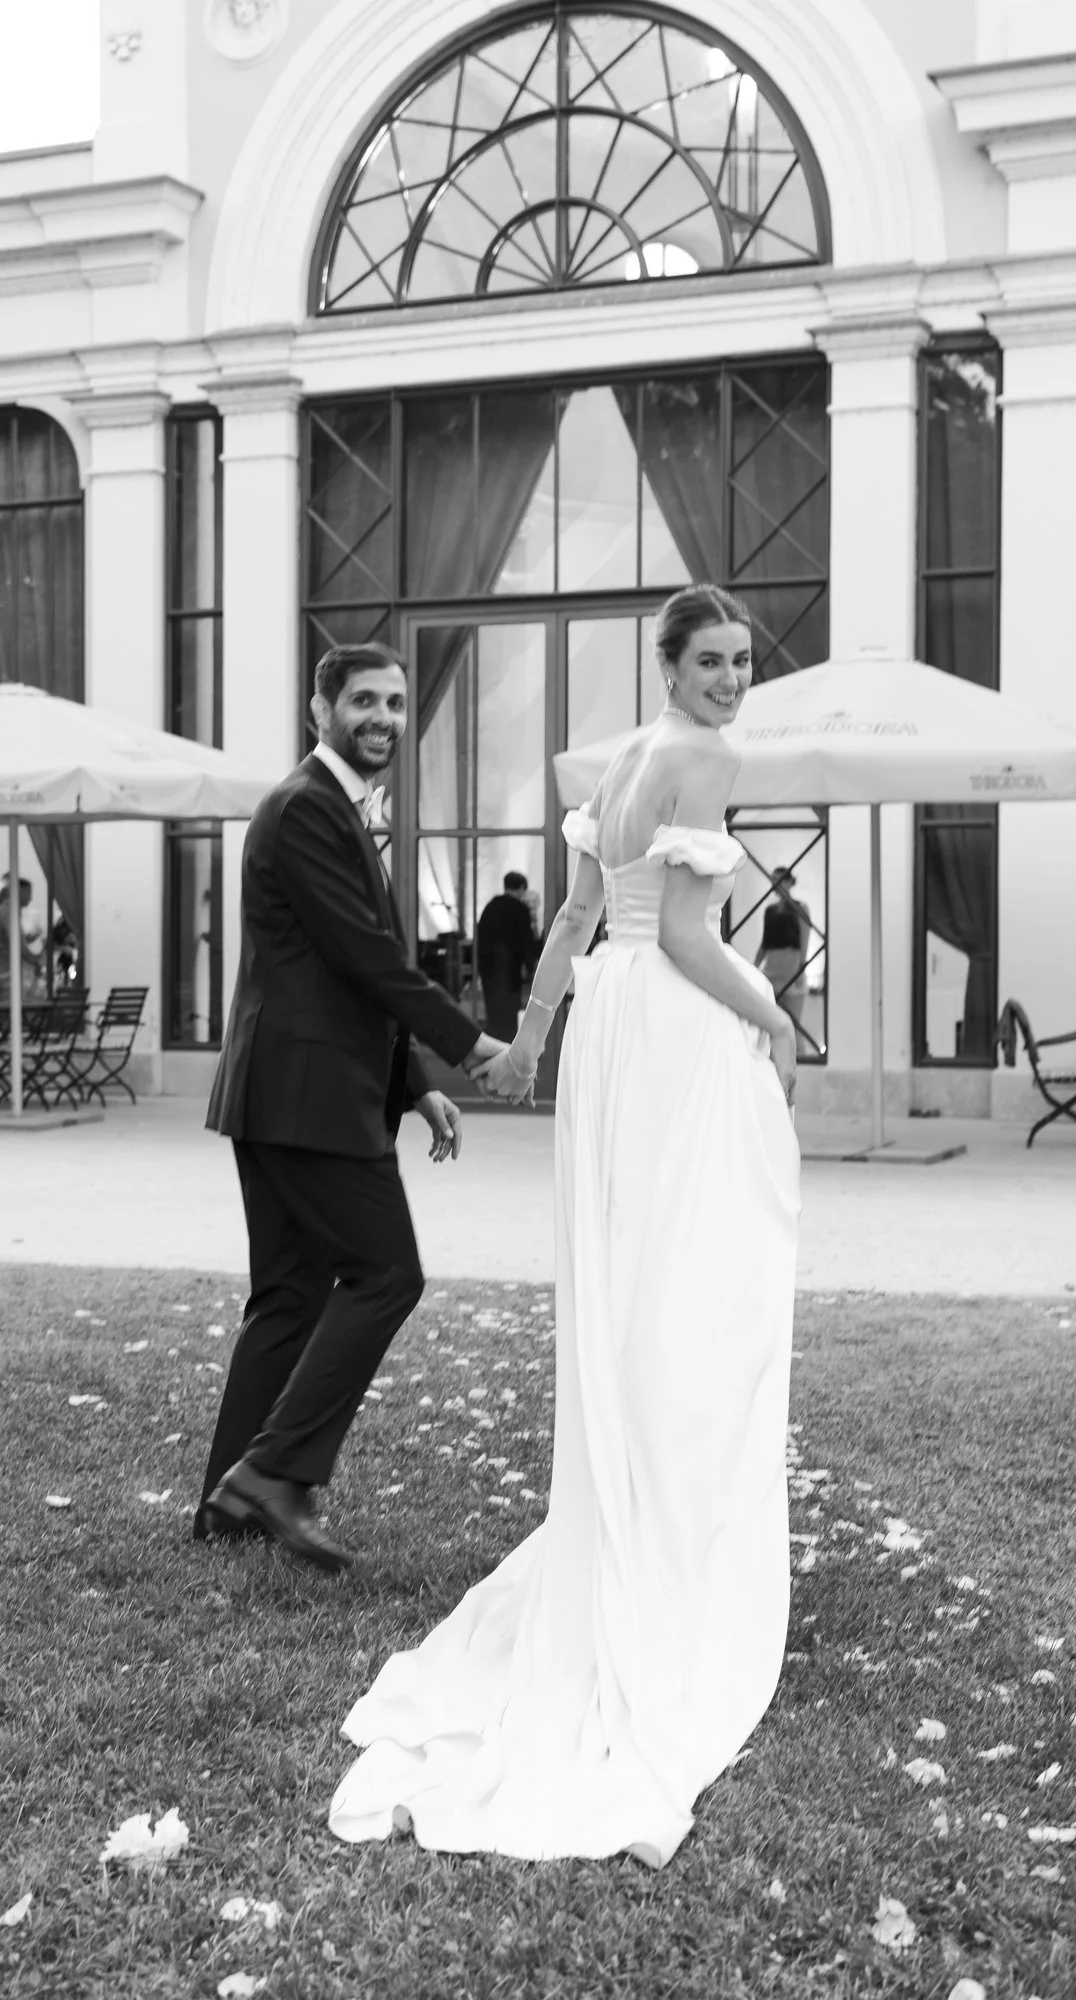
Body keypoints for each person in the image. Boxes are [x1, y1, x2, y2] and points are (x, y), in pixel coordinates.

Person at [328, 584, 801, 1868]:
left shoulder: (621, 759)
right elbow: (696, 936)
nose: (729, 680)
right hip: (677, 1030)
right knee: (701, 1276)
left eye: (743, 661)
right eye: (709, 659)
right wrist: (773, 1015)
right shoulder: (706, 757)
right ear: (667, 663)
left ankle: (637, 1512)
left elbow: (581, 925)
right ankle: (675, 1544)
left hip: (609, 1034)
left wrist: (536, 1036)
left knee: (637, 1274)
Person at [197, 643, 507, 1572]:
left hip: (290, 1093)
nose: (384, 717)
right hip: (306, 1098)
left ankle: (228, 1508)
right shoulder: (304, 810)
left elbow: (342, 967)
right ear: (318, 709)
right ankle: (273, 1475)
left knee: (290, 1296)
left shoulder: (331, 808)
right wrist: (470, 1045)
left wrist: (413, 1086)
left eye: (399, 703)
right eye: (365, 700)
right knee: (385, 1275)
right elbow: (369, 957)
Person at [475, 870, 541, 1039]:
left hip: (488, 968)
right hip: (508, 968)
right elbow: (526, 941)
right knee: (509, 1013)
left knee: (494, 1013)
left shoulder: (490, 907)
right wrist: (531, 965)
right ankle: (506, 1048)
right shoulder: (519, 909)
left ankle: (491, 1044)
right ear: (520, 888)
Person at [755, 867, 810, 1031]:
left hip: (791, 972)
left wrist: (801, 969)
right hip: (771, 972)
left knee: (793, 1027)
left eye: (777, 880)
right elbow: (764, 943)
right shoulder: (769, 911)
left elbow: (804, 940)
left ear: (787, 882)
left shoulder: (800, 908)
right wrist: (754, 968)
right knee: (772, 1027)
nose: (774, 884)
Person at [0, 875, 46, 997]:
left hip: (8, 973)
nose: (30, 898)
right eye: (28, 893)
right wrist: (35, 960)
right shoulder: (8, 913)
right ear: (19, 892)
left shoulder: (8, 911)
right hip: (6, 976)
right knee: (10, 1012)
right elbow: (16, 945)